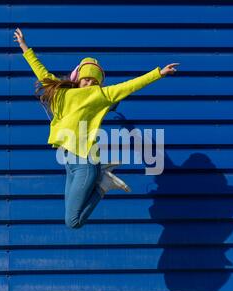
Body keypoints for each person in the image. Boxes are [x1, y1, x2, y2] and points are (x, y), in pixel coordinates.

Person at [14, 28, 179, 229]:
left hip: (85, 161)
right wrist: (24, 46)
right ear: (78, 78)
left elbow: (130, 86)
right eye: (86, 78)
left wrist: (159, 73)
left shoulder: (101, 95)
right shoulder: (62, 93)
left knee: (72, 221)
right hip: (69, 163)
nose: (90, 82)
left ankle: (103, 185)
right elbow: (41, 72)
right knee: (70, 214)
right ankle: (103, 179)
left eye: (94, 80)